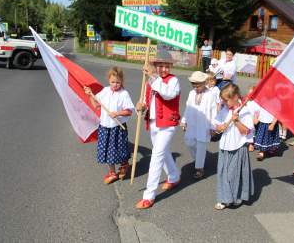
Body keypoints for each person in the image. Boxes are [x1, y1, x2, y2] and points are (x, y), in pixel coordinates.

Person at [135, 49, 181, 209]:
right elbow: (145, 100)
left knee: (157, 155)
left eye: (166, 66)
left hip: (168, 124)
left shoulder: (173, 81)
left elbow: (168, 94)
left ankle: (149, 195)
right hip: (153, 123)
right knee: (163, 152)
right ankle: (174, 176)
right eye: (160, 66)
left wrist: (153, 76)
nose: (163, 69)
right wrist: (140, 106)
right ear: (155, 66)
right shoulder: (149, 81)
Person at [84, 66, 134, 184]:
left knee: (120, 148)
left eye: (117, 82)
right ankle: (112, 172)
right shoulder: (105, 91)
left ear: (121, 81)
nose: (115, 84)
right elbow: (96, 105)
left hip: (117, 127)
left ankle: (124, 165)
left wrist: (117, 113)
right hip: (104, 126)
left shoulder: (124, 94)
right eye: (112, 82)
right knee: (106, 149)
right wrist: (90, 95)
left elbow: (129, 111)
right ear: (109, 80)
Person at [213, 84, 254, 210]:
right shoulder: (224, 110)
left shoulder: (245, 111)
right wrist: (221, 127)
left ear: (235, 97)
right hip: (225, 146)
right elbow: (217, 127)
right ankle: (225, 198)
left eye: (226, 100)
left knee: (233, 174)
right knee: (223, 173)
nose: (224, 102)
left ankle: (236, 197)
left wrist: (236, 121)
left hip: (238, 146)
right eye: (223, 100)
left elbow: (246, 131)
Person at [181, 71, 217, 179]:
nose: (196, 86)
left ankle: (199, 168)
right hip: (192, 122)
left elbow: (214, 111)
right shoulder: (192, 93)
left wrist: (213, 127)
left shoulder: (210, 94)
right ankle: (198, 159)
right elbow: (188, 107)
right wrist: (184, 120)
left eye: (198, 84)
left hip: (204, 125)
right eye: (194, 84)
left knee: (201, 146)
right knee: (189, 142)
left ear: (205, 82)